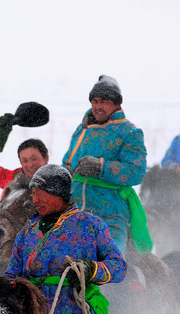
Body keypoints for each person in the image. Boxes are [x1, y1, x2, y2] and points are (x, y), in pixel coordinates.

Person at [2, 164, 157, 314]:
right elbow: (12, 273)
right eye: (34, 193)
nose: (36, 199)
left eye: (41, 193)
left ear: (60, 194)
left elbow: (118, 267)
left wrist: (90, 270)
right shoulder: (26, 233)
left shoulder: (91, 225)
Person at [62, 75, 152, 255]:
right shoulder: (82, 129)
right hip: (73, 210)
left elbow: (137, 171)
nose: (97, 107)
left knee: (109, 264)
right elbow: (67, 164)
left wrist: (101, 167)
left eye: (104, 101)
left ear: (116, 104)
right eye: (94, 101)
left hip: (110, 215)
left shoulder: (129, 132)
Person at [0, 135, 50, 201]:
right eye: (25, 161)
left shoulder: (57, 180)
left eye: (33, 159)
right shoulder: (12, 178)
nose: (30, 165)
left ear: (46, 158)